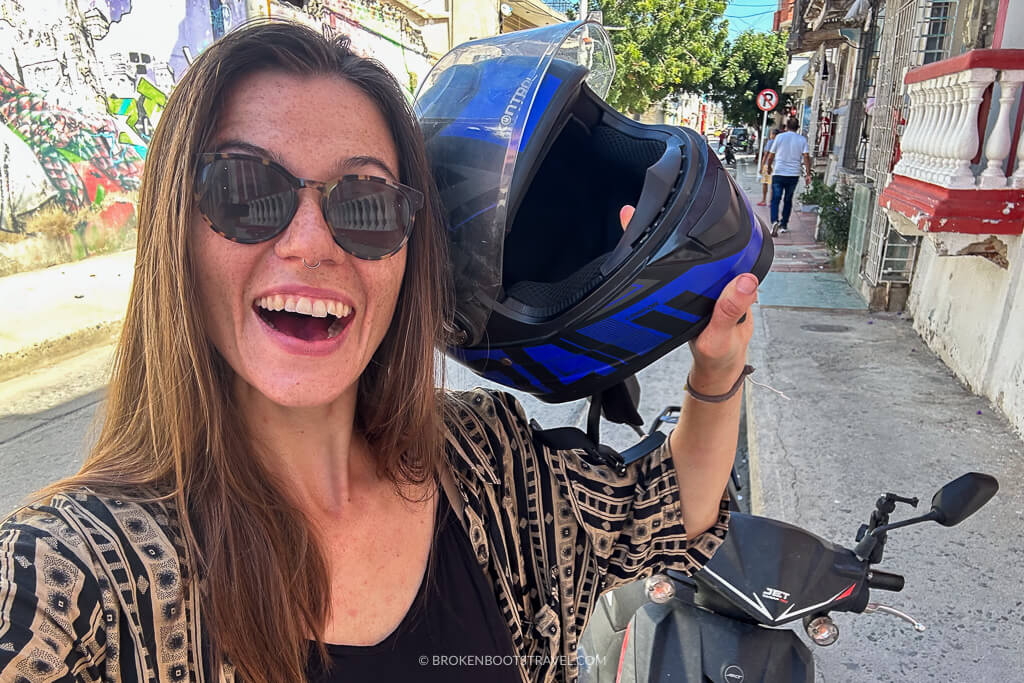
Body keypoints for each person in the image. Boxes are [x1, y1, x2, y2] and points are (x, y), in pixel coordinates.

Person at [0, 21, 758, 683]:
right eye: (244, 189)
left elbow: (667, 511)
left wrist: (717, 364)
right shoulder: (70, 578)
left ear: (409, 254)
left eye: (363, 200)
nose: (309, 243)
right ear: (176, 232)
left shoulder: (487, 462)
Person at [763, 118, 812, 236]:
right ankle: (784, 225)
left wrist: (769, 167)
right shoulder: (802, 140)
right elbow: (806, 157)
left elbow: (771, 155)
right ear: (798, 127)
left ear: (786, 126)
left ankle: (774, 221)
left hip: (779, 172)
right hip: (793, 174)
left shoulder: (779, 137)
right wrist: (808, 173)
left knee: (775, 198)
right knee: (788, 200)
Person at [758, 128, 780, 206]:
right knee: (773, 185)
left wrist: (761, 166)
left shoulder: (770, 142)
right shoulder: (780, 143)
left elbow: (766, 155)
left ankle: (764, 200)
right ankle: (771, 201)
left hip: (768, 164)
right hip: (777, 165)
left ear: (774, 135)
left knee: (765, 183)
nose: (770, 135)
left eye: (771, 134)